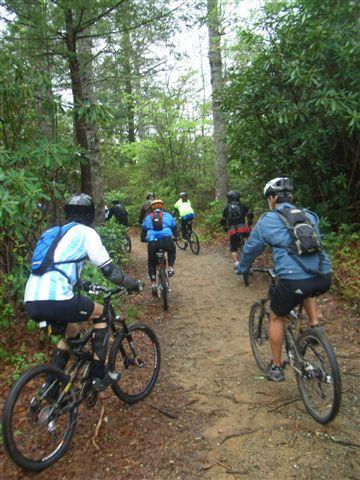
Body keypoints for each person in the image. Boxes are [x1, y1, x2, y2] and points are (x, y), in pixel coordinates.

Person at [24, 193, 142, 392]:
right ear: (89, 215)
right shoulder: (86, 233)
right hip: (58, 299)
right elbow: (109, 271)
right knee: (103, 313)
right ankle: (98, 375)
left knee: (72, 330)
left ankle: (51, 386)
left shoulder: (52, 233)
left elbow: (55, 267)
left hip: (32, 299)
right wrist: (131, 284)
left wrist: (84, 283)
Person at [236, 177, 331, 382]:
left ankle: (276, 367)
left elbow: (251, 249)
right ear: (292, 197)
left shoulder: (267, 220)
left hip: (293, 282)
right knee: (306, 286)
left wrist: (242, 267)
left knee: (277, 316)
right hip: (323, 277)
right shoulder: (309, 216)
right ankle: (315, 327)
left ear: (272, 199)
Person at [142, 199, 177, 296]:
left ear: (152, 208)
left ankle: (153, 283)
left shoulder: (148, 217)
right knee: (171, 251)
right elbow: (174, 227)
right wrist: (175, 237)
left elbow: (144, 229)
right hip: (167, 240)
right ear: (162, 206)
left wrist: (143, 239)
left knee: (151, 262)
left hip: (153, 242)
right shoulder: (168, 215)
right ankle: (170, 268)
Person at [220, 191, 254, 268]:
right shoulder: (242, 206)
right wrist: (249, 223)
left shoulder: (227, 208)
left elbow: (222, 221)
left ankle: (237, 263)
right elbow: (251, 214)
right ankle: (249, 261)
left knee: (233, 248)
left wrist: (225, 227)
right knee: (249, 243)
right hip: (244, 229)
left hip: (233, 231)